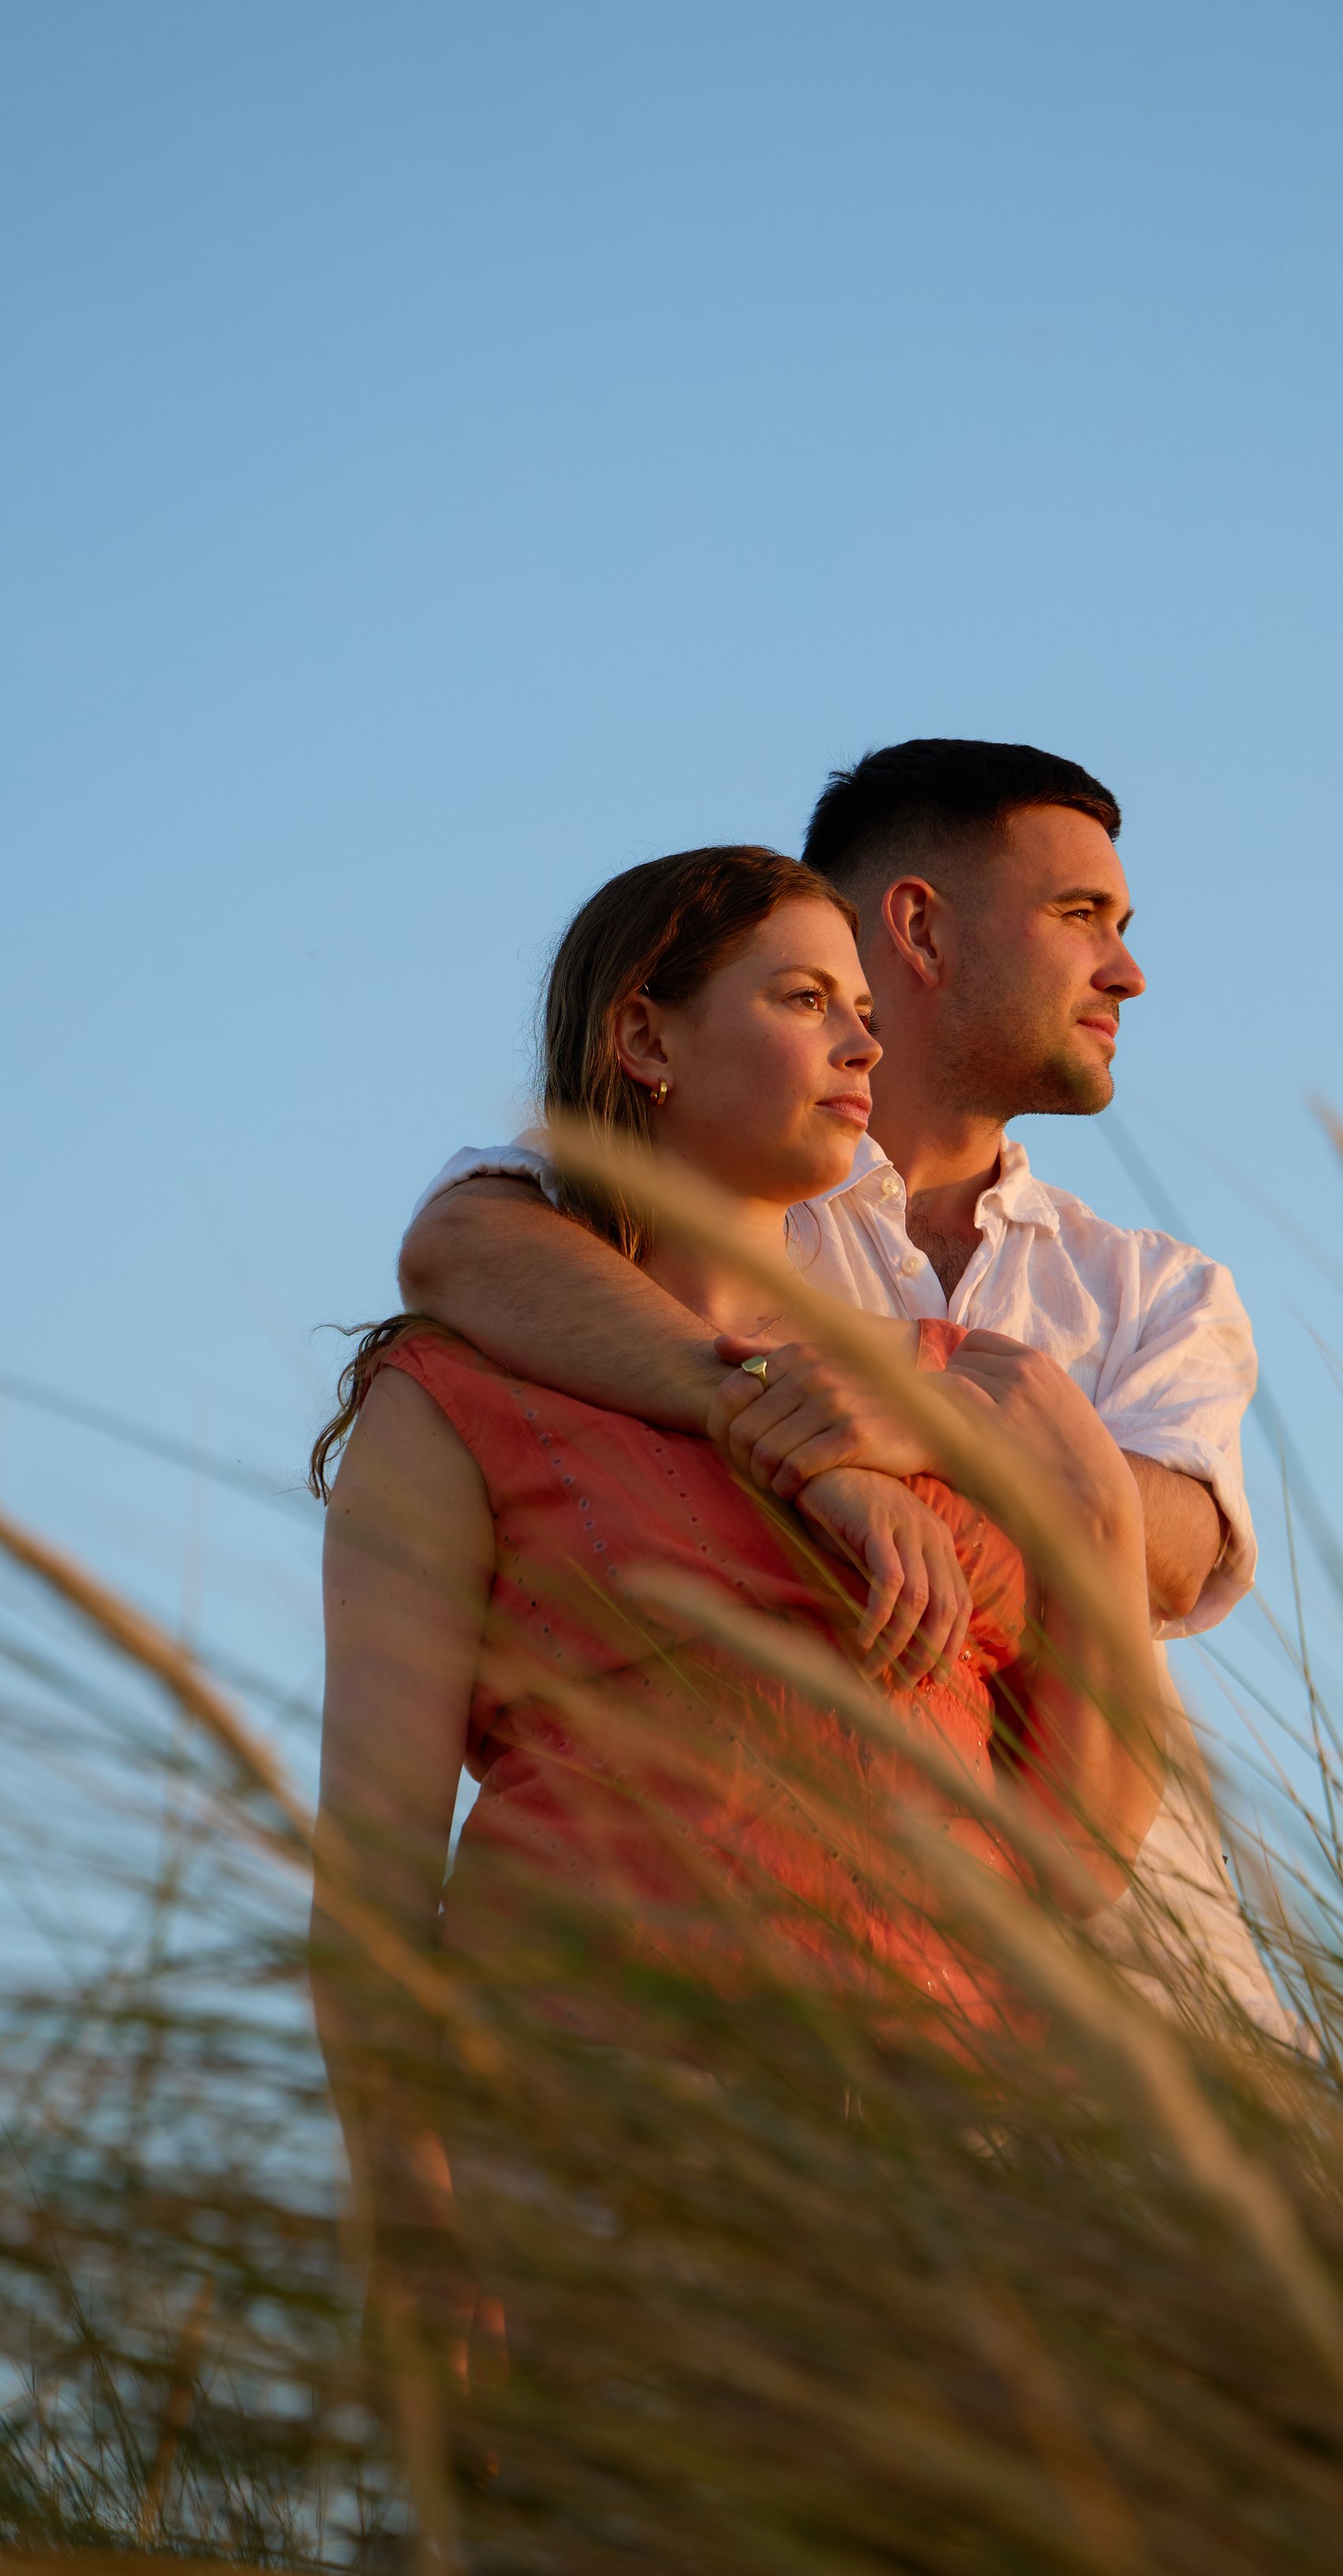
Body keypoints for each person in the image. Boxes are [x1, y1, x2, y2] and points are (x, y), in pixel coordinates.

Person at [398, 740, 1288, 2033]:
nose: (1129, 970)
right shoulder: (734, 1194)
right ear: (920, 927)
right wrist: (815, 1425)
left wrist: (936, 1421)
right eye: (1079, 915)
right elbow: (463, 1246)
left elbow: (1172, 1552)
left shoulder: (1151, 1286)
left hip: (1166, 2001)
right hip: (812, 1998)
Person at [311, 846, 1160, 2143]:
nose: (864, 1046)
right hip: (603, 2126)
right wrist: (417, 2287)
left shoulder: (959, 1387)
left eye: (869, 1013)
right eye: (807, 1000)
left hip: (960, 2152)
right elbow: (370, 1900)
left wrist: (1092, 1494)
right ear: (645, 1035)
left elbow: (1079, 1849)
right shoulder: (455, 1392)